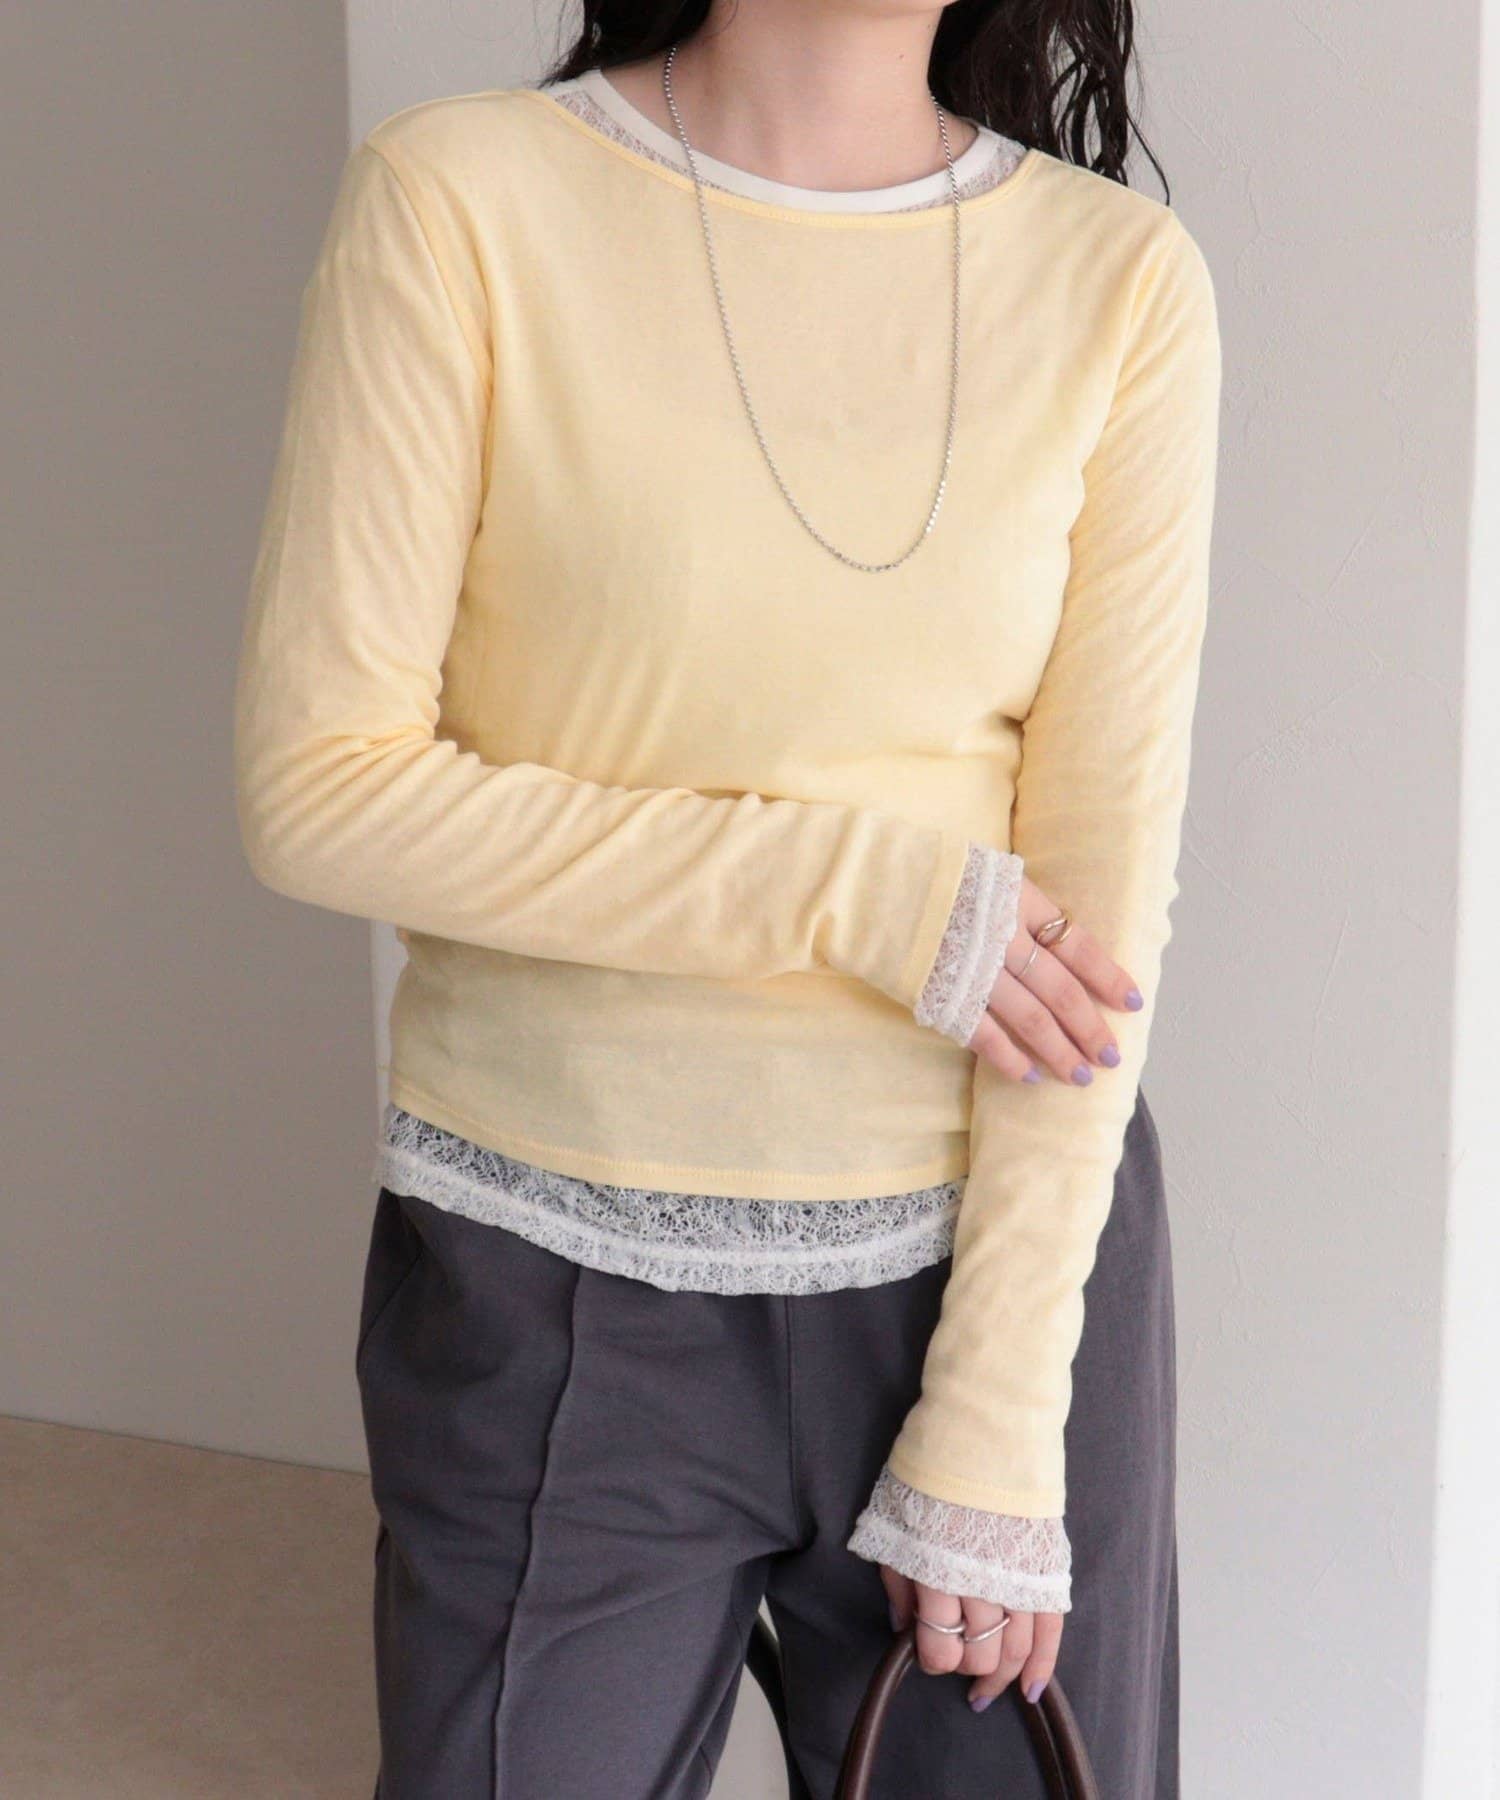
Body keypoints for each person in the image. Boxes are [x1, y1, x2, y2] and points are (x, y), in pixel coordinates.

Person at [233, 2, 1221, 1794]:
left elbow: (1098, 914)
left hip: (993, 1271)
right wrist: (852, 888)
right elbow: (324, 792)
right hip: (550, 1277)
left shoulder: (1118, 280)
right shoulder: (462, 200)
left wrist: (1001, 1408)